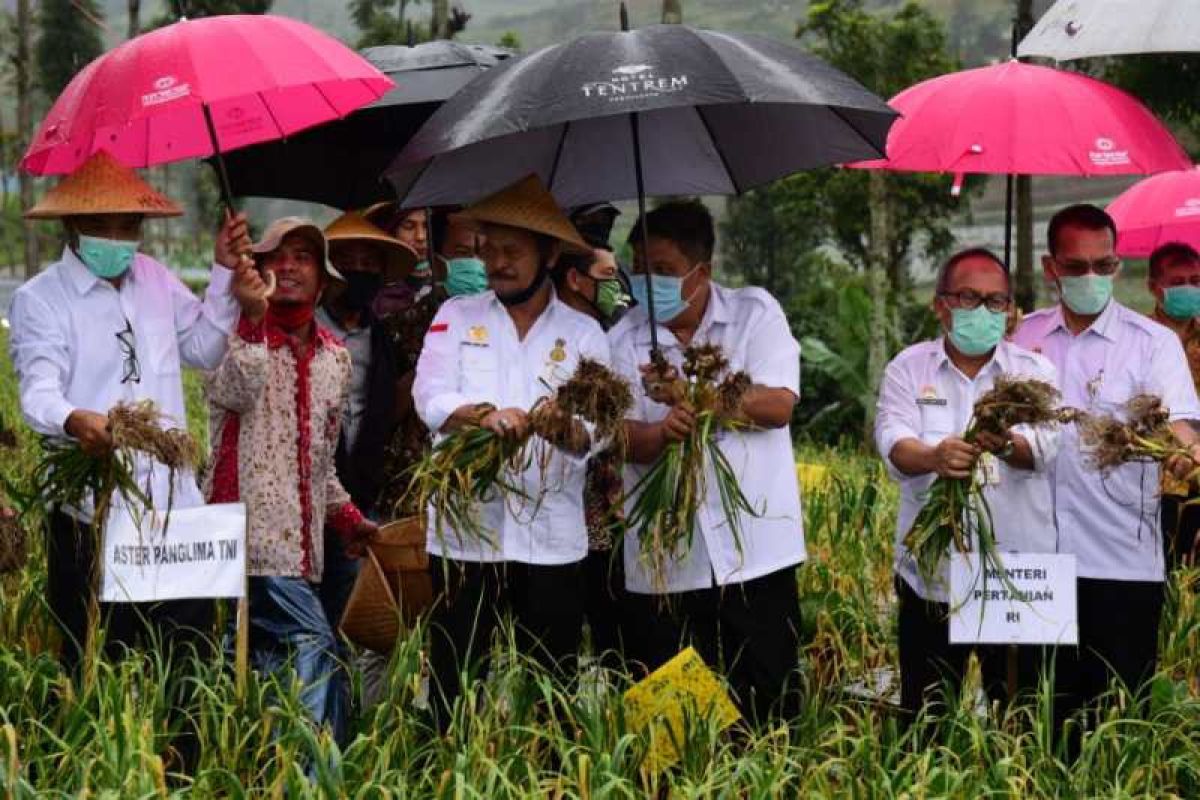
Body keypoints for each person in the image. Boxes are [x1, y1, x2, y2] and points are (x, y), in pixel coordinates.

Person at [8, 149, 257, 675]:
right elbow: (38, 392)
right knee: (96, 662)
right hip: (91, 511)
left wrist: (223, 273)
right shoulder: (42, 299)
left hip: (172, 509)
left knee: (185, 660)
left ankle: (179, 757)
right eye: (102, 224)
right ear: (74, 225)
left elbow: (206, 348)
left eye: (129, 225)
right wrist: (76, 419)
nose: (117, 237)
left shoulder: (155, 279)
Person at [411, 175, 610, 726]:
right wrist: (483, 415)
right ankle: (441, 776)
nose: (497, 262)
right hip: (464, 535)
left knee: (552, 688)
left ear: (548, 253)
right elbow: (428, 394)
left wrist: (563, 429)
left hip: (551, 540)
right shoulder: (456, 316)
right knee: (450, 681)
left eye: (512, 251)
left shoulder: (585, 334)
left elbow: (604, 427)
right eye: (488, 249)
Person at [610, 199, 806, 723]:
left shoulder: (754, 313)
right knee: (675, 724)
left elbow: (777, 404)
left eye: (666, 271)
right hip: (666, 559)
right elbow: (614, 436)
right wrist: (658, 432)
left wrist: (696, 397)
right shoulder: (622, 338)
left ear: (704, 272)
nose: (651, 282)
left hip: (756, 550)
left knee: (769, 707)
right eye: (642, 269)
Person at [1012, 204, 1200, 722]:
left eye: (1105, 265)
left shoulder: (1153, 344)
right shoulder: (1022, 342)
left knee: (1118, 720)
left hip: (1121, 558)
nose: (1092, 278)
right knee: (1036, 718)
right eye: (1077, 267)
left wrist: (1184, 449)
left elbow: (1179, 423)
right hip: (1034, 561)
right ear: (1052, 268)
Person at [203, 217, 377, 743]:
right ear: (257, 271)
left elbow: (319, 462)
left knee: (274, 669)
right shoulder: (229, 340)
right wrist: (253, 319)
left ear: (322, 280)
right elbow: (234, 392)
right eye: (276, 256)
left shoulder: (334, 359)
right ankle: (319, 775)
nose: (289, 266)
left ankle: (272, 768)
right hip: (247, 538)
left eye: (302, 256)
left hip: (305, 553)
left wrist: (347, 519)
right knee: (314, 644)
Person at [875, 248, 1060, 718]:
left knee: (1022, 717)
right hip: (932, 574)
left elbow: (1045, 447)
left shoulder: (1033, 373)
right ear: (941, 305)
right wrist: (934, 456)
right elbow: (893, 440)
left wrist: (1002, 443)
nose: (983, 311)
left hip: (1016, 575)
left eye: (996, 301)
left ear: (1010, 311)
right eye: (969, 297)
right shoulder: (908, 368)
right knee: (929, 717)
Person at [316, 211, 417, 628]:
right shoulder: (304, 328)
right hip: (305, 497)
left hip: (359, 493)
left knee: (347, 607)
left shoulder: (381, 337)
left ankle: (344, 693)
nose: (358, 271)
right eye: (347, 261)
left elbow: (382, 412)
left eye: (369, 264)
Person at [551, 235, 632, 669]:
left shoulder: (615, 337)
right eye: (606, 276)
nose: (616, 287)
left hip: (610, 516)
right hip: (563, 512)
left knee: (617, 631)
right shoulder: (554, 341)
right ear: (574, 279)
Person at [1145, 241, 1200, 567]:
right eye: (1178, 282)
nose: (1189, 289)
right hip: (1150, 486)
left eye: (1196, 281)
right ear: (1154, 288)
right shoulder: (1138, 340)